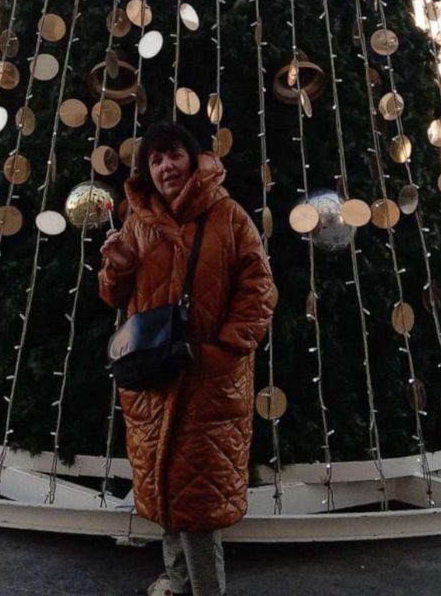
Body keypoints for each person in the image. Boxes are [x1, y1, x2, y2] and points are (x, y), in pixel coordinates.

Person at [99, 122, 275, 596]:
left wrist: (223, 351)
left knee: (198, 505)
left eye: (173, 155)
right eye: (155, 161)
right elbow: (114, 296)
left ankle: (205, 589)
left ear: (193, 160)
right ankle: (178, 584)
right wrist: (115, 266)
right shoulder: (137, 223)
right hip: (152, 380)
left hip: (209, 382)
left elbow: (259, 291)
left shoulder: (230, 216)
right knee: (165, 495)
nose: (165, 167)